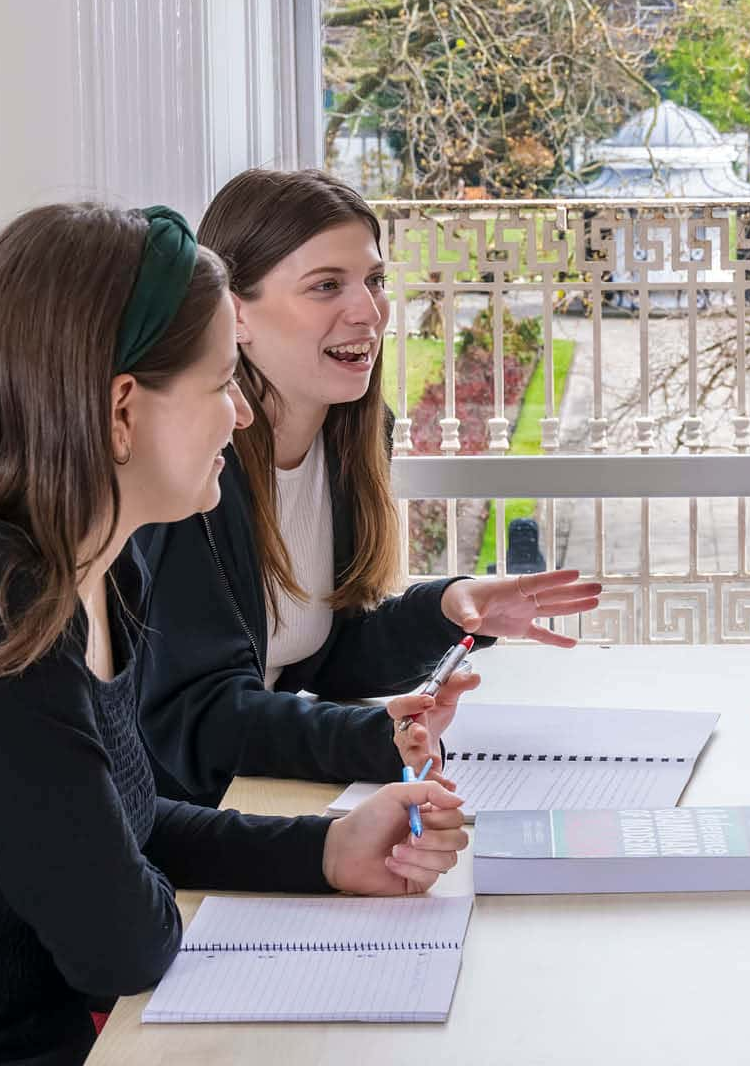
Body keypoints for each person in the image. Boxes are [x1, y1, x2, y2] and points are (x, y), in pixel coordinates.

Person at [0, 204, 466, 1066]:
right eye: (220, 382)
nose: (241, 415)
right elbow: (119, 940)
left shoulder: (99, 565)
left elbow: (118, 827)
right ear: (123, 409)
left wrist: (327, 850)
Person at [135, 169, 600, 808]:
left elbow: (322, 657)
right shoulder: (190, 467)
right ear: (234, 312)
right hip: (190, 827)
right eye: (327, 286)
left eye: (375, 281)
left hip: (259, 798)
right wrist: (381, 738)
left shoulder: (355, 434)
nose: (370, 311)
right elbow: (197, 716)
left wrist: (450, 608)